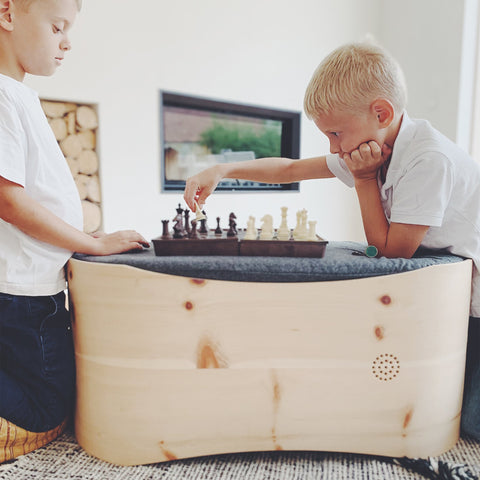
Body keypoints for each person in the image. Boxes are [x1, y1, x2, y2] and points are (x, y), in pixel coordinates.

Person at [184, 42, 480, 439]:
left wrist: (362, 180)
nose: (333, 148)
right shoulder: (370, 145)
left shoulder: (428, 159)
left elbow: (391, 254)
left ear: (381, 113)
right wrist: (223, 168)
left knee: (470, 423)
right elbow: (290, 169)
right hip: (444, 281)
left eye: (336, 133)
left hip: (472, 293)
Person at [0, 0, 149, 461]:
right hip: (24, 297)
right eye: (57, 26)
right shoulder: (3, 95)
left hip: (25, 292)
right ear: (7, 12)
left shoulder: (16, 95)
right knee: (48, 413)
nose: (67, 42)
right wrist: (93, 243)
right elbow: (7, 198)